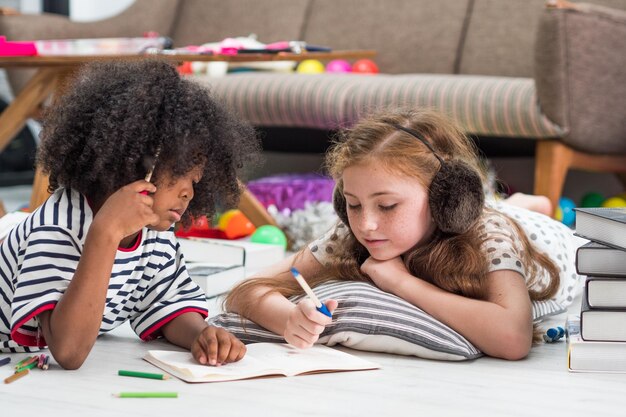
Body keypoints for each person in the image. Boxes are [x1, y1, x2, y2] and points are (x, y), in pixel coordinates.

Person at [226, 108, 578, 361]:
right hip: (494, 213)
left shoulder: (489, 233)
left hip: (538, 233)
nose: (366, 225)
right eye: (352, 203)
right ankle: (520, 202)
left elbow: (513, 338)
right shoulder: (353, 232)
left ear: (446, 197)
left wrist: (400, 282)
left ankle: (532, 206)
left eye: (388, 206)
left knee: (513, 212)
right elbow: (247, 290)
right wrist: (289, 319)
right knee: (505, 204)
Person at [0, 60, 259, 369]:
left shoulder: (153, 235)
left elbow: (168, 305)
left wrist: (201, 334)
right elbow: (68, 351)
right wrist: (106, 233)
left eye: (196, 181)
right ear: (135, 163)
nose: (189, 192)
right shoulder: (59, 227)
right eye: (180, 175)